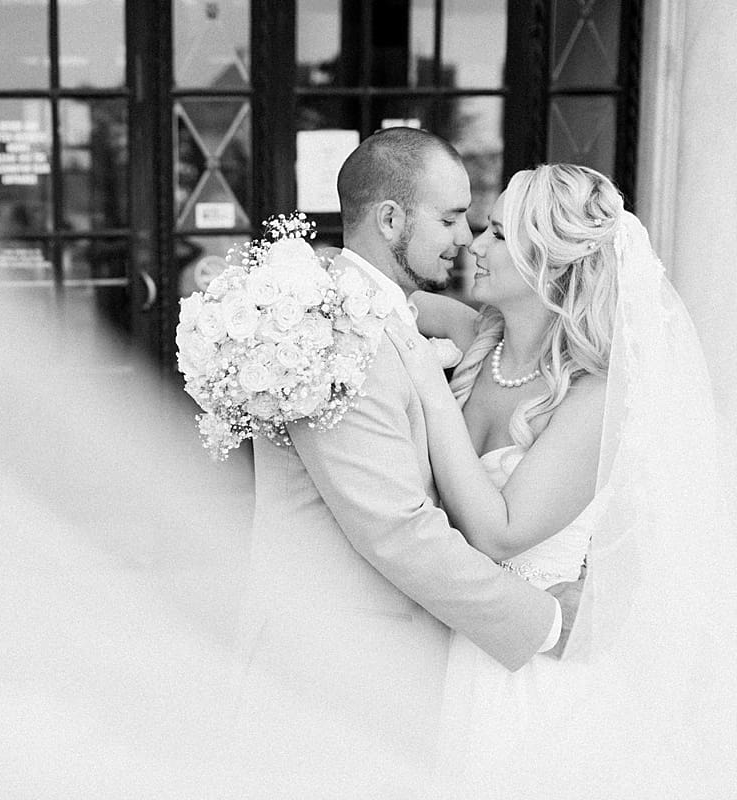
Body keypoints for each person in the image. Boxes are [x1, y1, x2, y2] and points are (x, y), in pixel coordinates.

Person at [233, 128, 580, 794]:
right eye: (449, 219)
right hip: (334, 674)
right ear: (391, 219)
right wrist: (544, 622)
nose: (465, 238)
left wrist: (461, 320)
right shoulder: (336, 332)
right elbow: (397, 529)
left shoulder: (369, 309)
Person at [388, 163, 737, 796]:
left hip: (533, 674)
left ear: (551, 262)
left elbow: (500, 533)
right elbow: (380, 298)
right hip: (446, 644)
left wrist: (427, 386)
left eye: (499, 234)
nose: (475, 245)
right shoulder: (479, 340)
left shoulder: (594, 395)